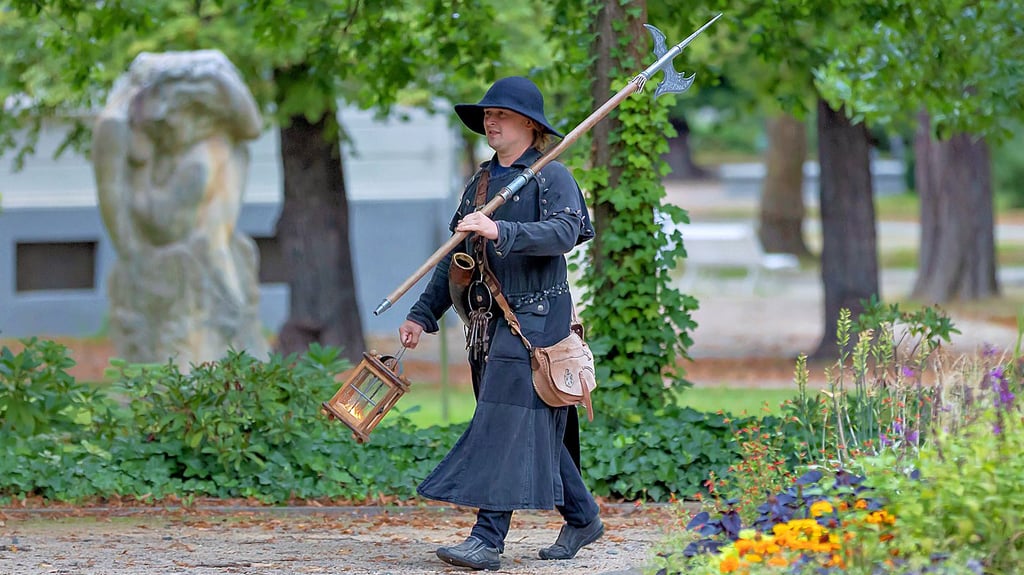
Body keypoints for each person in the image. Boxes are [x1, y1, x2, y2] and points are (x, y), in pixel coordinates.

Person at [398, 76, 603, 571]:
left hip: (536, 324)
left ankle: (487, 538)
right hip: (488, 327)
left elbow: (564, 232)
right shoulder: (481, 183)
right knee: (529, 424)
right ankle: (583, 517)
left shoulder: (552, 176)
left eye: (501, 114)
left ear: (529, 126)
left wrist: (502, 229)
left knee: (502, 425)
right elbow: (454, 256)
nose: (490, 121)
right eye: (487, 115)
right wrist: (422, 315)